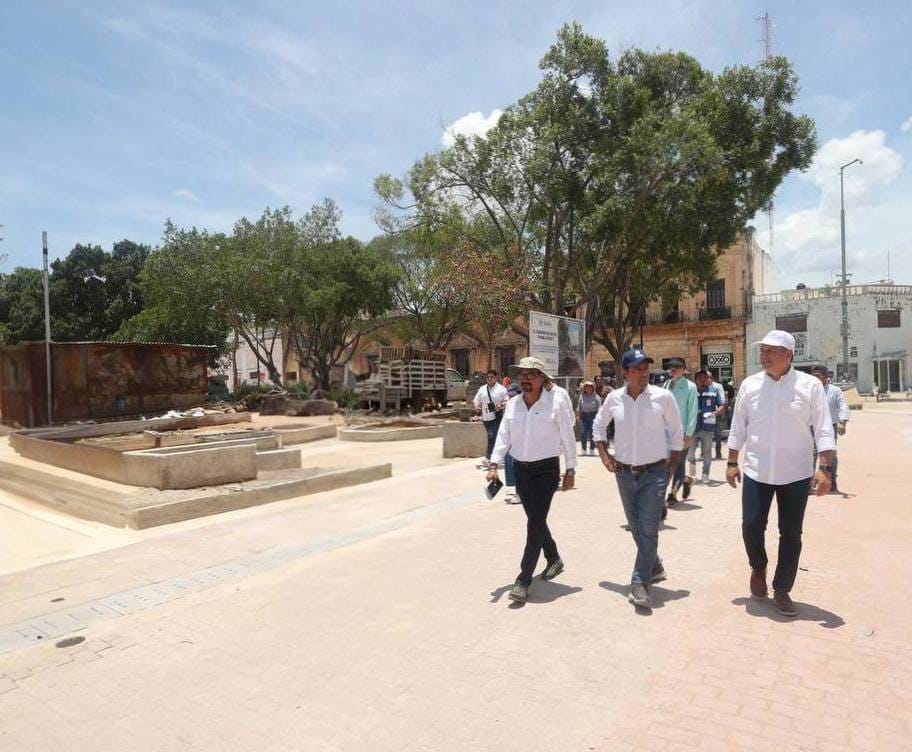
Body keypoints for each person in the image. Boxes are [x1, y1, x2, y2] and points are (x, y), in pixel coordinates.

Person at [726, 330, 836, 617]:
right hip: (756, 470)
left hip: (796, 473)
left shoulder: (810, 386)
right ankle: (758, 566)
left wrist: (825, 469)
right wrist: (731, 461)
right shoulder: (750, 386)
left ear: (789, 355)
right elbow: (738, 426)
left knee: (790, 533)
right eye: (762, 351)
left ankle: (783, 589)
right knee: (751, 525)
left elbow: (824, 428)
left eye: (770, 351)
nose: (764, 356)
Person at [593, 348, 684, 610]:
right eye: (637, 369)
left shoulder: (663, 397)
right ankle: (653, 564)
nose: (643, 373)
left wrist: (669, 474)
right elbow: (599, 426)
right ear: (625, 372)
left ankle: (639, 582)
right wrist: (604, 455)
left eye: (645, 368)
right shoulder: (613, 399)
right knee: (636, 528)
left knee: (648, 528)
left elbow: (677, 437)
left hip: (654, 472)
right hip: (623, 474)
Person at [488, 357, 577, 604]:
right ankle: (554, 558)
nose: (525, 379)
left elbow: (568, 435)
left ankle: (523, 579)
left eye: (532, 374)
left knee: (534, 523)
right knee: (535, 520)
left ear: (542, 378)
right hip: (520, 470)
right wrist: (494, 465)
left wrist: (570, 470)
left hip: (546, 471)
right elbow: (503, 437)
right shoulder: (513, 404)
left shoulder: (556, 401)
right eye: (522, 374)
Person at [663, 357, 697, 508]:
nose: (674, 369)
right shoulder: (666, 385)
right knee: (667, 463)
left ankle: (673, 493)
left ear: (684, 368)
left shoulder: (690, 387)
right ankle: (686, 480)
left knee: (679, 462)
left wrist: (689, 434)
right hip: (665, 432)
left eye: (677, 366)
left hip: (682, 432)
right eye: (672, 367)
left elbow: (693, 411)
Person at [811, 365, 849, 493]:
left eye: (818, 376)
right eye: (813, 376)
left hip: (830, 426)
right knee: (811, 453)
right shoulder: (809, 390)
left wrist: (842, 422)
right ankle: (809, 484)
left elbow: (843, 406)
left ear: (827, 377)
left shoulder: (835, 390)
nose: (815, 379)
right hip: (811, 426)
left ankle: (831, 481)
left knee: (829, 454)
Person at [473, 369, 509, 467]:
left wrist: (501, 405)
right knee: (493, 437)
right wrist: (476, 405)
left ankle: (488, 458)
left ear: (495, 378)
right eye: (487, 377)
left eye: (491, 377)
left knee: (491, 436)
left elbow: (507, 401)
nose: (489, 379)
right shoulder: (482, 389)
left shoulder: (502, 389)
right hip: (486, 417)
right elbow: (476, 399)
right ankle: (499, 458)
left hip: (497, 416)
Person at [502, 377, 523, 504]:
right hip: (511, 443)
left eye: (512, 395)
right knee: (512, 467)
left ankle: (521, 493)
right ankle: (518, 491)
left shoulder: (523, 406)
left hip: (522, 444)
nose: (510, 397)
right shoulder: (509, 405)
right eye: (509, 395)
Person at [577, 380, 602, 456]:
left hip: (593, 416)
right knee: (583, 432)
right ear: (584, 388)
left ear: (592, 388)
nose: (588, 389)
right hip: (584, 415)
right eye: (586, 387)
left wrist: (598, 417)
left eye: (590, 387)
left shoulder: (596, 396)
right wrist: (578, 415)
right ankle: (583, 449)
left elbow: (600, 407)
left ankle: (592, 449)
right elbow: (579, 407)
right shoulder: (582, 396)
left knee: (592, 433)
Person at [707, 372, 727, 459]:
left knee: (718, 434)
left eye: (709, 377)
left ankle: (718, 453)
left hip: (716, 413)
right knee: (706, 433)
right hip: (706, 414)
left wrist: (717, 412)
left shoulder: (718, 386)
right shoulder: (702, 386)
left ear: (712, 378)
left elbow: (722, 399)